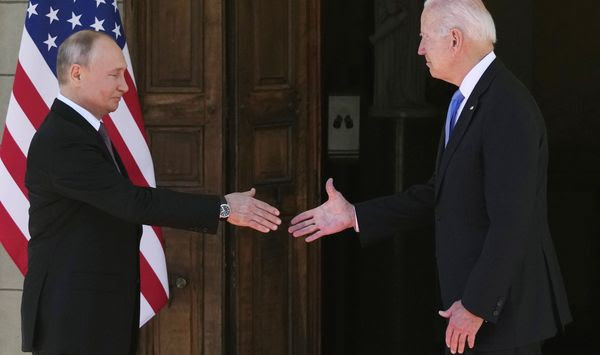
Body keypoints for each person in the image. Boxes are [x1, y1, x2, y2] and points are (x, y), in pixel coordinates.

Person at [289, 0, 572, 354]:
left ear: (454, 40)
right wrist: (354, 216)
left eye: (424, 38)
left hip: (503, 316)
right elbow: (440, 193)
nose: (420, 49)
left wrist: (475, 307)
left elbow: (512, 222)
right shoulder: (466, 100)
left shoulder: (506, 107)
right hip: (475, 309)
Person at [22, 30, 281, 355]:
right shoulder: (63, 140)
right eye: (115, 75)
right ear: (77, 73)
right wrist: (224, 208)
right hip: (73, 317)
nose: (124, 86)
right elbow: (131, 202)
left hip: (94, 312)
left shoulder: (83, 131)